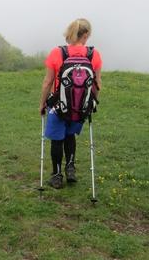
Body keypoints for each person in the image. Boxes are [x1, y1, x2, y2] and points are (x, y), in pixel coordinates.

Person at [38, 18, 103, 188]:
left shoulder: (57, 53)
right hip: (80, 107)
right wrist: (92, 102)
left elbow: (47, 82)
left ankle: (57, 176)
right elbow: (97, 84)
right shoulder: (93, 54)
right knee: (70, 136)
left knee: (57, 140)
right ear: (86, 35)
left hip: (59, 105)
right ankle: (71, 169)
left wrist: (42, 104)